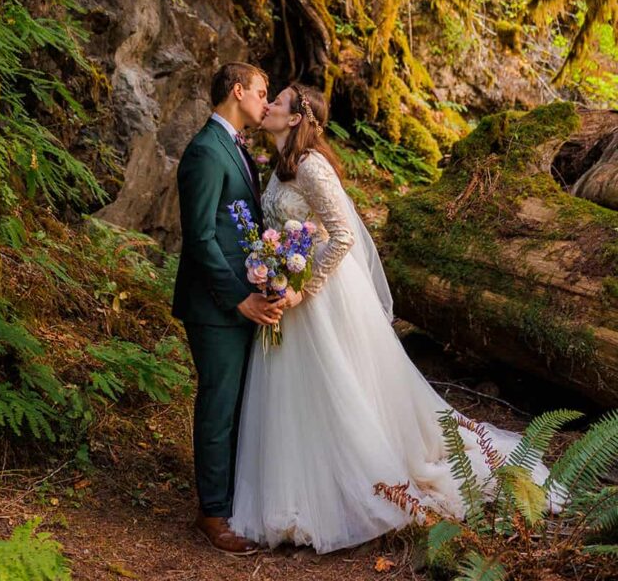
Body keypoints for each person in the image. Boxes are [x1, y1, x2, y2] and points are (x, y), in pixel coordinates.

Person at [230, 82, 559, 554]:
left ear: (297, 118)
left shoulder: (311, 166)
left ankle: (356, 488)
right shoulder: (280, 168)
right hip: (289, 293)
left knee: (338, 386)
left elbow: (342, 235)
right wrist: (273, 266)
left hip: (321, 297)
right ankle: (301, 488)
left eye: (277, 102)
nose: (269, 107)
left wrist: (305, 288)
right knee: (297, 393)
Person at [172, 62, 284, 555]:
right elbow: (199, 239)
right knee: (218, 407)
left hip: (245, 300)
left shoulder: (237, 150)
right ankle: (212, 514)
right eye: (261, 93)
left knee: (239, 404)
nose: (266, 102)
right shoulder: (204, 152)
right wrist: (240, 298)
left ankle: (232, 500)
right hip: (216, 306)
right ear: (237, 92)